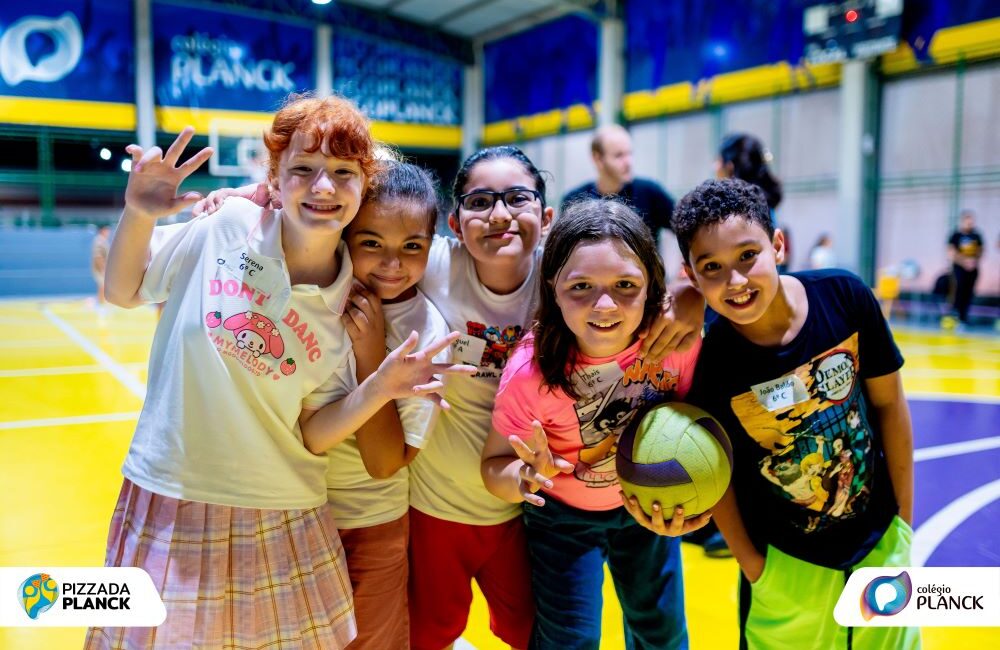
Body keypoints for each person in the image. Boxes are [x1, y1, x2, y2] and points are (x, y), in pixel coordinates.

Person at [85, 95, 468, 650]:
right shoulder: (228, 224)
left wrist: (379, 386)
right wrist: (140, 212)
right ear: (274, 177)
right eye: (303, 170)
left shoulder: (352, 304)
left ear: (363, 186)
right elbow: (122, 290)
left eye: (342, 173)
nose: (323, 188)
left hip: (283, 509)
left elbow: (314, 431)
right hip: (171, 490)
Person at [660, 178, 919, 649]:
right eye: (712, 268)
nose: (734, 281)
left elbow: (890, 406)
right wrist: (756, 567)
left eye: (747, 256)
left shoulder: (845, 298)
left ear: (777, 245)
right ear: (691, 277)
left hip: (881, 544)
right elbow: (716, 470)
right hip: (785, 567)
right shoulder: (708, 361)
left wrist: (902, 524)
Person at [482, 199, 708, 649]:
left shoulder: (677, 343)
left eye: (625, 284)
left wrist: (695, 296)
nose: (604, 304)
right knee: (571, 638)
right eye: (581, 286)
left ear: (650, 285)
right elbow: (493, 466)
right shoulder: (530, 374)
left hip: (649, 508)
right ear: (553, 286)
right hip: (563, 519)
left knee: (662, 632)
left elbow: (703, 425)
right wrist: (524, 476)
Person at [327, 161, 454, 649]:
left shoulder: (428, 333)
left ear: (432, 245)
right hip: (291, 513)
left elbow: (385, 463)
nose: (391, 263)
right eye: (371, 242)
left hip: (370, 522)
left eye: (411, 247)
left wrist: (372, 355)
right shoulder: (318, 292)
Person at [561, 124, 675, 247]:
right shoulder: (575, 201)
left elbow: (686, 230)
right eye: (619, 155)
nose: (628, 162)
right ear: (597, 159)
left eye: (629, 153)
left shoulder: (650, 192)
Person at [716, 133, 787, 272]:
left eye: (718, 160)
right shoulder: (762, 205)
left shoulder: (735, 212)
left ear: (729, 167)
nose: (715, 166)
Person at [947, 210, 983, 325]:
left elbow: (980, 251)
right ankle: (954, 314)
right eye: (968, 221)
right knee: (958, 291)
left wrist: (973, 261)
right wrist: (964, 261)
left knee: (969, 292)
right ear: (963, 221)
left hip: (972, 269)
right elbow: (951, 253)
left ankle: (964, 317)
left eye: (971, 221)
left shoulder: (976, 235)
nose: (970, 223)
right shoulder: (956, 235)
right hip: (959, 269)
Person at [90, 225, 111, 308]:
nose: (108, 232)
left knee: (102, 285)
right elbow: (98, 256)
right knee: (102, 285)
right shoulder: (99, 240)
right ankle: (101, 303)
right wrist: (103, 268)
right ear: (102, 230)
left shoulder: (102, 240)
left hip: (101, 267)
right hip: (100, 268)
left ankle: (101, 302)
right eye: (107, 230)